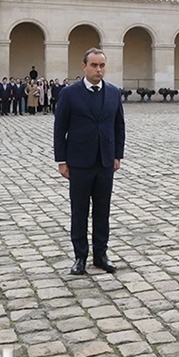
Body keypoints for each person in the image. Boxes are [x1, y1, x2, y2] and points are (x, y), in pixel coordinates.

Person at [53, 48, 126, 276]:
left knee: (102, 210)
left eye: (102, 65)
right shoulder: (70, 93)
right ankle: (80, 256)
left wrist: (117, 155)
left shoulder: (113, 93)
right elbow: (60, 128)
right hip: (80, 162)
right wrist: (62, 161)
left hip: (105, 161)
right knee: (80, 210)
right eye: (94, 65)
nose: (98, 70)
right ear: (84, 66)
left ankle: (101, 254)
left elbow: (118, 126)